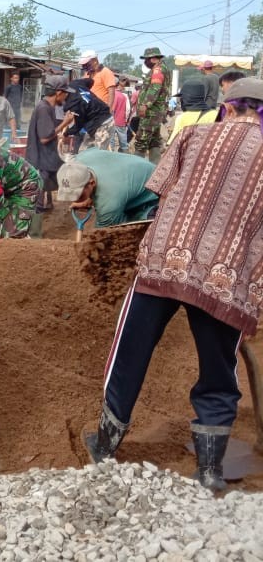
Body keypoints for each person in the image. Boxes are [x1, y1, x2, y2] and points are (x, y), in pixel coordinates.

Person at [83, 78, 263, 491]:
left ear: (229, 107)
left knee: (129, 352)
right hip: (227, 276)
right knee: (220, 370)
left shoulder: (191, 135)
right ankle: (210, 471)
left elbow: (161, 193)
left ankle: (106, 446)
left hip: (164, 261)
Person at [54, 149, 158, 227]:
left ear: (92, 183)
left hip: (156, 191)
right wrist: (88, 199)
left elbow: (105, 232)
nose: (74, 199)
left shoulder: (109, 202)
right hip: (136, 171)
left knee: (129, 229)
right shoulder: (79, 161)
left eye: (78, 195)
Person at [24, 75, 67, 236]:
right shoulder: (43, 108)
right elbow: (44, 137)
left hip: (47, 160)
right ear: (58, 92)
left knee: (46, 195)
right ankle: (34, 237)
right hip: (40, 162)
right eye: (65, 93)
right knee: (37, 201)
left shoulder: (49, 108)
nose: (66, 96)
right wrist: (65, 123)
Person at [56, 78, 114, 151]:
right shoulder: (75, 83)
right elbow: (90, 81)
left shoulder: (74, 105)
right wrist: (86, 93)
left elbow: (78, 125)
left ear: (60, 93)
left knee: (99, 155)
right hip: (93, 123)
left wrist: (65, 134)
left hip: (105, 122)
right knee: (83, 152)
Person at [134, 47, 171, 162]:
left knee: (141, 140)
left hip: (151, 112)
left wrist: (145, 105)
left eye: (146, 59)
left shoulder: (158, 70)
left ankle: (135, 168)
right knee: (154, 140)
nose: (145, 62)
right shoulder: (164, 68)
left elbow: (155, 88)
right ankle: (155, 168)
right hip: (157, 111)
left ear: (154, 59)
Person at [166, 79, 217, 146]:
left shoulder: (182, 118)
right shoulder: (216, 114)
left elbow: (172, 144)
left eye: (182, 98)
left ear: (186, 98)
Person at [110, 84, 131, 152]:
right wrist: (126, 119)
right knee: (123, 141)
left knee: (111, 141)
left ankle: (111, 156)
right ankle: (124, 155)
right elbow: (128, 109)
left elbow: (112, 109)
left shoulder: (112, 95)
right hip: (121, 121)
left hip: (112, 121)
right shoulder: (124, 96)